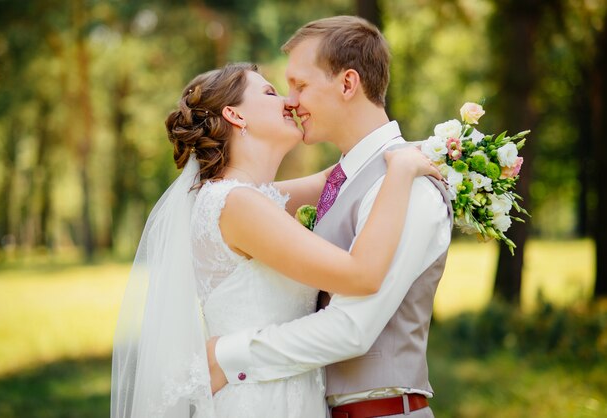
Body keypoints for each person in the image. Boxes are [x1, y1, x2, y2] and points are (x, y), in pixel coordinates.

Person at [110, 61, 440, 418]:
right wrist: (402, 172)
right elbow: (359, 274)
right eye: (270, 92)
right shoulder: (238, 205)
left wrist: (455, 150)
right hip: (261, 399)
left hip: (284, 389)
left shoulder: (248, 197)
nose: (289, 102)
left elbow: (346, 170)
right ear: (235, 115)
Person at [207, 16, 453, 418]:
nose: (290, 101)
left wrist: (226, 355)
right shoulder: (347, 178)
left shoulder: (407, 183)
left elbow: (352, 328)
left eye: (300, 85)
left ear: (347, 84)